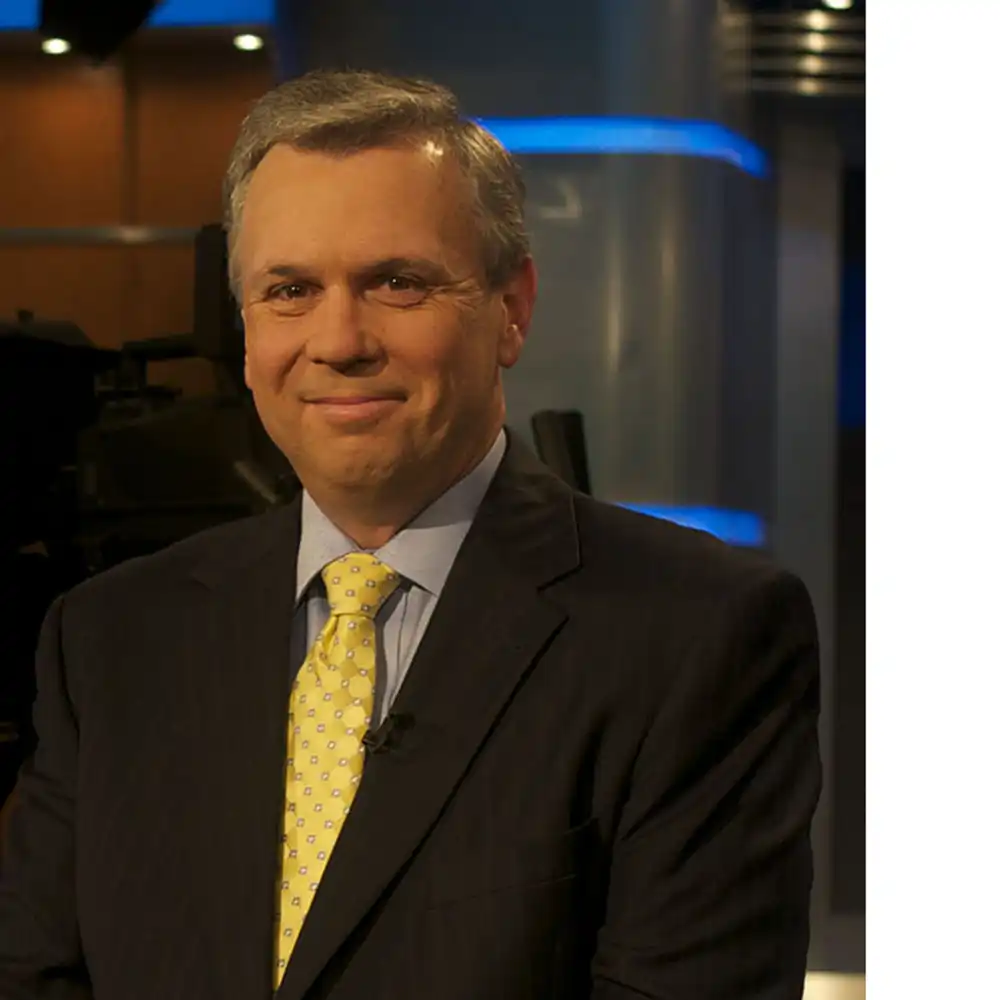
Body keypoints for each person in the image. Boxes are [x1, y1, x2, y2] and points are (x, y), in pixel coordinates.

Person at [0, 69, 821, 1000]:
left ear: (512, 308)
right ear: (245, 329)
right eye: (289, 289)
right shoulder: (109, 637)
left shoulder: (698, 635)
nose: (338, 340)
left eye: (397, 282)